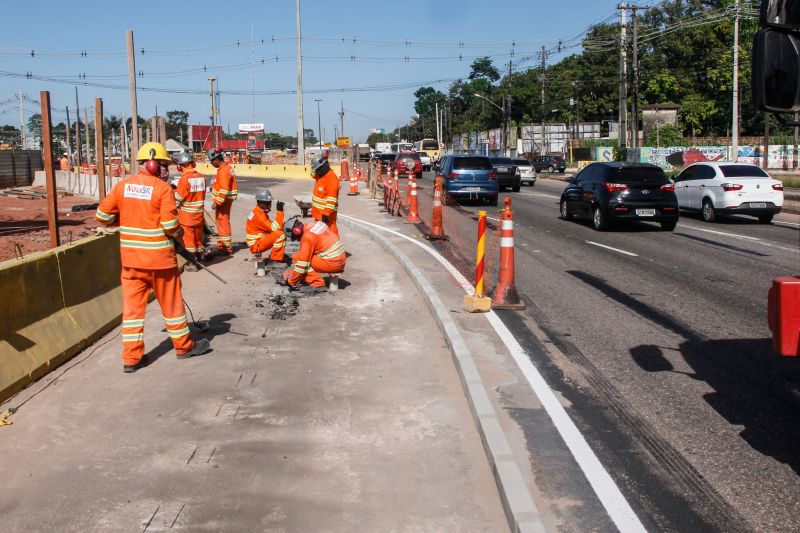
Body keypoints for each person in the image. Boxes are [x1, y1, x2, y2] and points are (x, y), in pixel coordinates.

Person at [95, 142, 210, 373]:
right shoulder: (162, 189)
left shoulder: (122, 186)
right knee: (172, 306)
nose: (167, 169)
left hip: (131, 263)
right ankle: (183, 347)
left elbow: (102, 216)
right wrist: (178, 236)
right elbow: (169, 225)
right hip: (160, 262)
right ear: (152, 164)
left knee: (132, 313)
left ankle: (131, 359)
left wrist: (125, 220)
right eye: (164, 164)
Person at [282, 216, 345, 290]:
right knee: (299, 257)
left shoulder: (307, 237)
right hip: (341, 259)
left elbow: (302, 265)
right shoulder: (315, 224)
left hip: (333, 263)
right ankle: (299, 275)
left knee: (299, 260)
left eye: (295, 237)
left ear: (296, 231)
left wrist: (291, 281)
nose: (297, 240)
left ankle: (318, 283)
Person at [173, 151, 206, 271]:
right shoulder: (201, 177)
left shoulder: (184, 179)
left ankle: (194, 263)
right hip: (199, 215)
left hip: (187, 216)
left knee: (189, 241)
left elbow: (179, 197)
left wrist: (173, 194)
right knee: (198, 239)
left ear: (180, 165)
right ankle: (199, 260)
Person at [245, 188, 286, 276]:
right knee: (280, 235)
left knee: (278, 233)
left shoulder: (258, 211)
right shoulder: (259, 215)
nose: (270, 205)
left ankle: (274, 257)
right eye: (269, 203)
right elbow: (275, 228)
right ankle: (275, 260)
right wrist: (280, 212)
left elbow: (268, 227)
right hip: (256, 244)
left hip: (257, 241)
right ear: (262, 203)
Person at [209, 148, 238, 254]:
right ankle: (222, 245)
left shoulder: (223, 171)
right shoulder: (226, 168)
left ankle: (226, 248)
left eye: (212, 161)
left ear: (216, 159)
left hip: (223, 201)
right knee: (221, 222)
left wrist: (216, 202)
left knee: (223, 222)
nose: (212, 164)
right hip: (226, 200)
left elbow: (224, 189)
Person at [309, 154, 340, 235]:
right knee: (320, 237)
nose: (317, 172)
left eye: (318, 170)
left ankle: (336, 247)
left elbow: (331, 200)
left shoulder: (332, 179)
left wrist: (325, 215)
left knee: (331, 234)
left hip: (327, 216)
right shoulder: (320, 175)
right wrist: (313, 168)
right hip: (317, 214)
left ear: (324, 167)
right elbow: (312, 175)